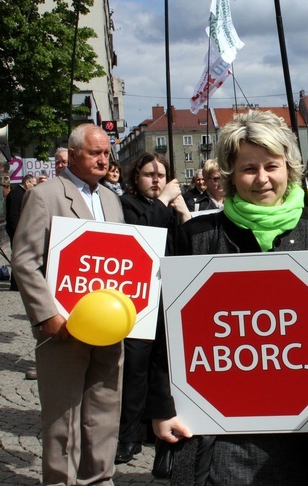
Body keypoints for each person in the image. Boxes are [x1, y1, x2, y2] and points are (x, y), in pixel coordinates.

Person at [149, 110, 308, 485]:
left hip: (304, 423)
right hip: (221, 429)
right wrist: (163, 406)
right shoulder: (196, 235)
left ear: (288, 168)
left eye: (271, 166)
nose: (262, 179)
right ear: (230, 174)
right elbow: (167, 328)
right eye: (249, 169)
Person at [11, 123, 125, 485]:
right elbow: (24, 261)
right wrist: (47, 315)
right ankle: (60, 481)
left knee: (104, 411)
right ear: (73, 155)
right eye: (95, 153)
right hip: (64, 327)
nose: (103, 159)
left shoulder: (110, 198)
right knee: (63, 416)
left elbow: (123, 259)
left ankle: (99, 479)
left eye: (107, 153)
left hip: (109, 327)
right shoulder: (46, 195)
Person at [115, 153, 191, 465]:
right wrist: (164, 201)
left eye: (161, 174)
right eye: (149, 174)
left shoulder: (170, 207)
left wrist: (184, 213)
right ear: (136, 178)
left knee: (165, 366)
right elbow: (144, 236)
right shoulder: (128, 205)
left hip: (169, 294)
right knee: (136, 367)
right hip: (140, 299)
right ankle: (128, 435)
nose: (156, 180)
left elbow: (187, 245)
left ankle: (155, 430)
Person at [5, 174, 37, 291]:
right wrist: (18, 232)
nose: (34, 187)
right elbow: (14, 216)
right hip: (17, 230)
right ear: (27, 183)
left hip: (18, 229)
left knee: (20, 255)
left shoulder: (21, 193)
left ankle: (18, 282)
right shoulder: (17, 195)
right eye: (33, 184)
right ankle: (15, 283)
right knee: (18, 256)